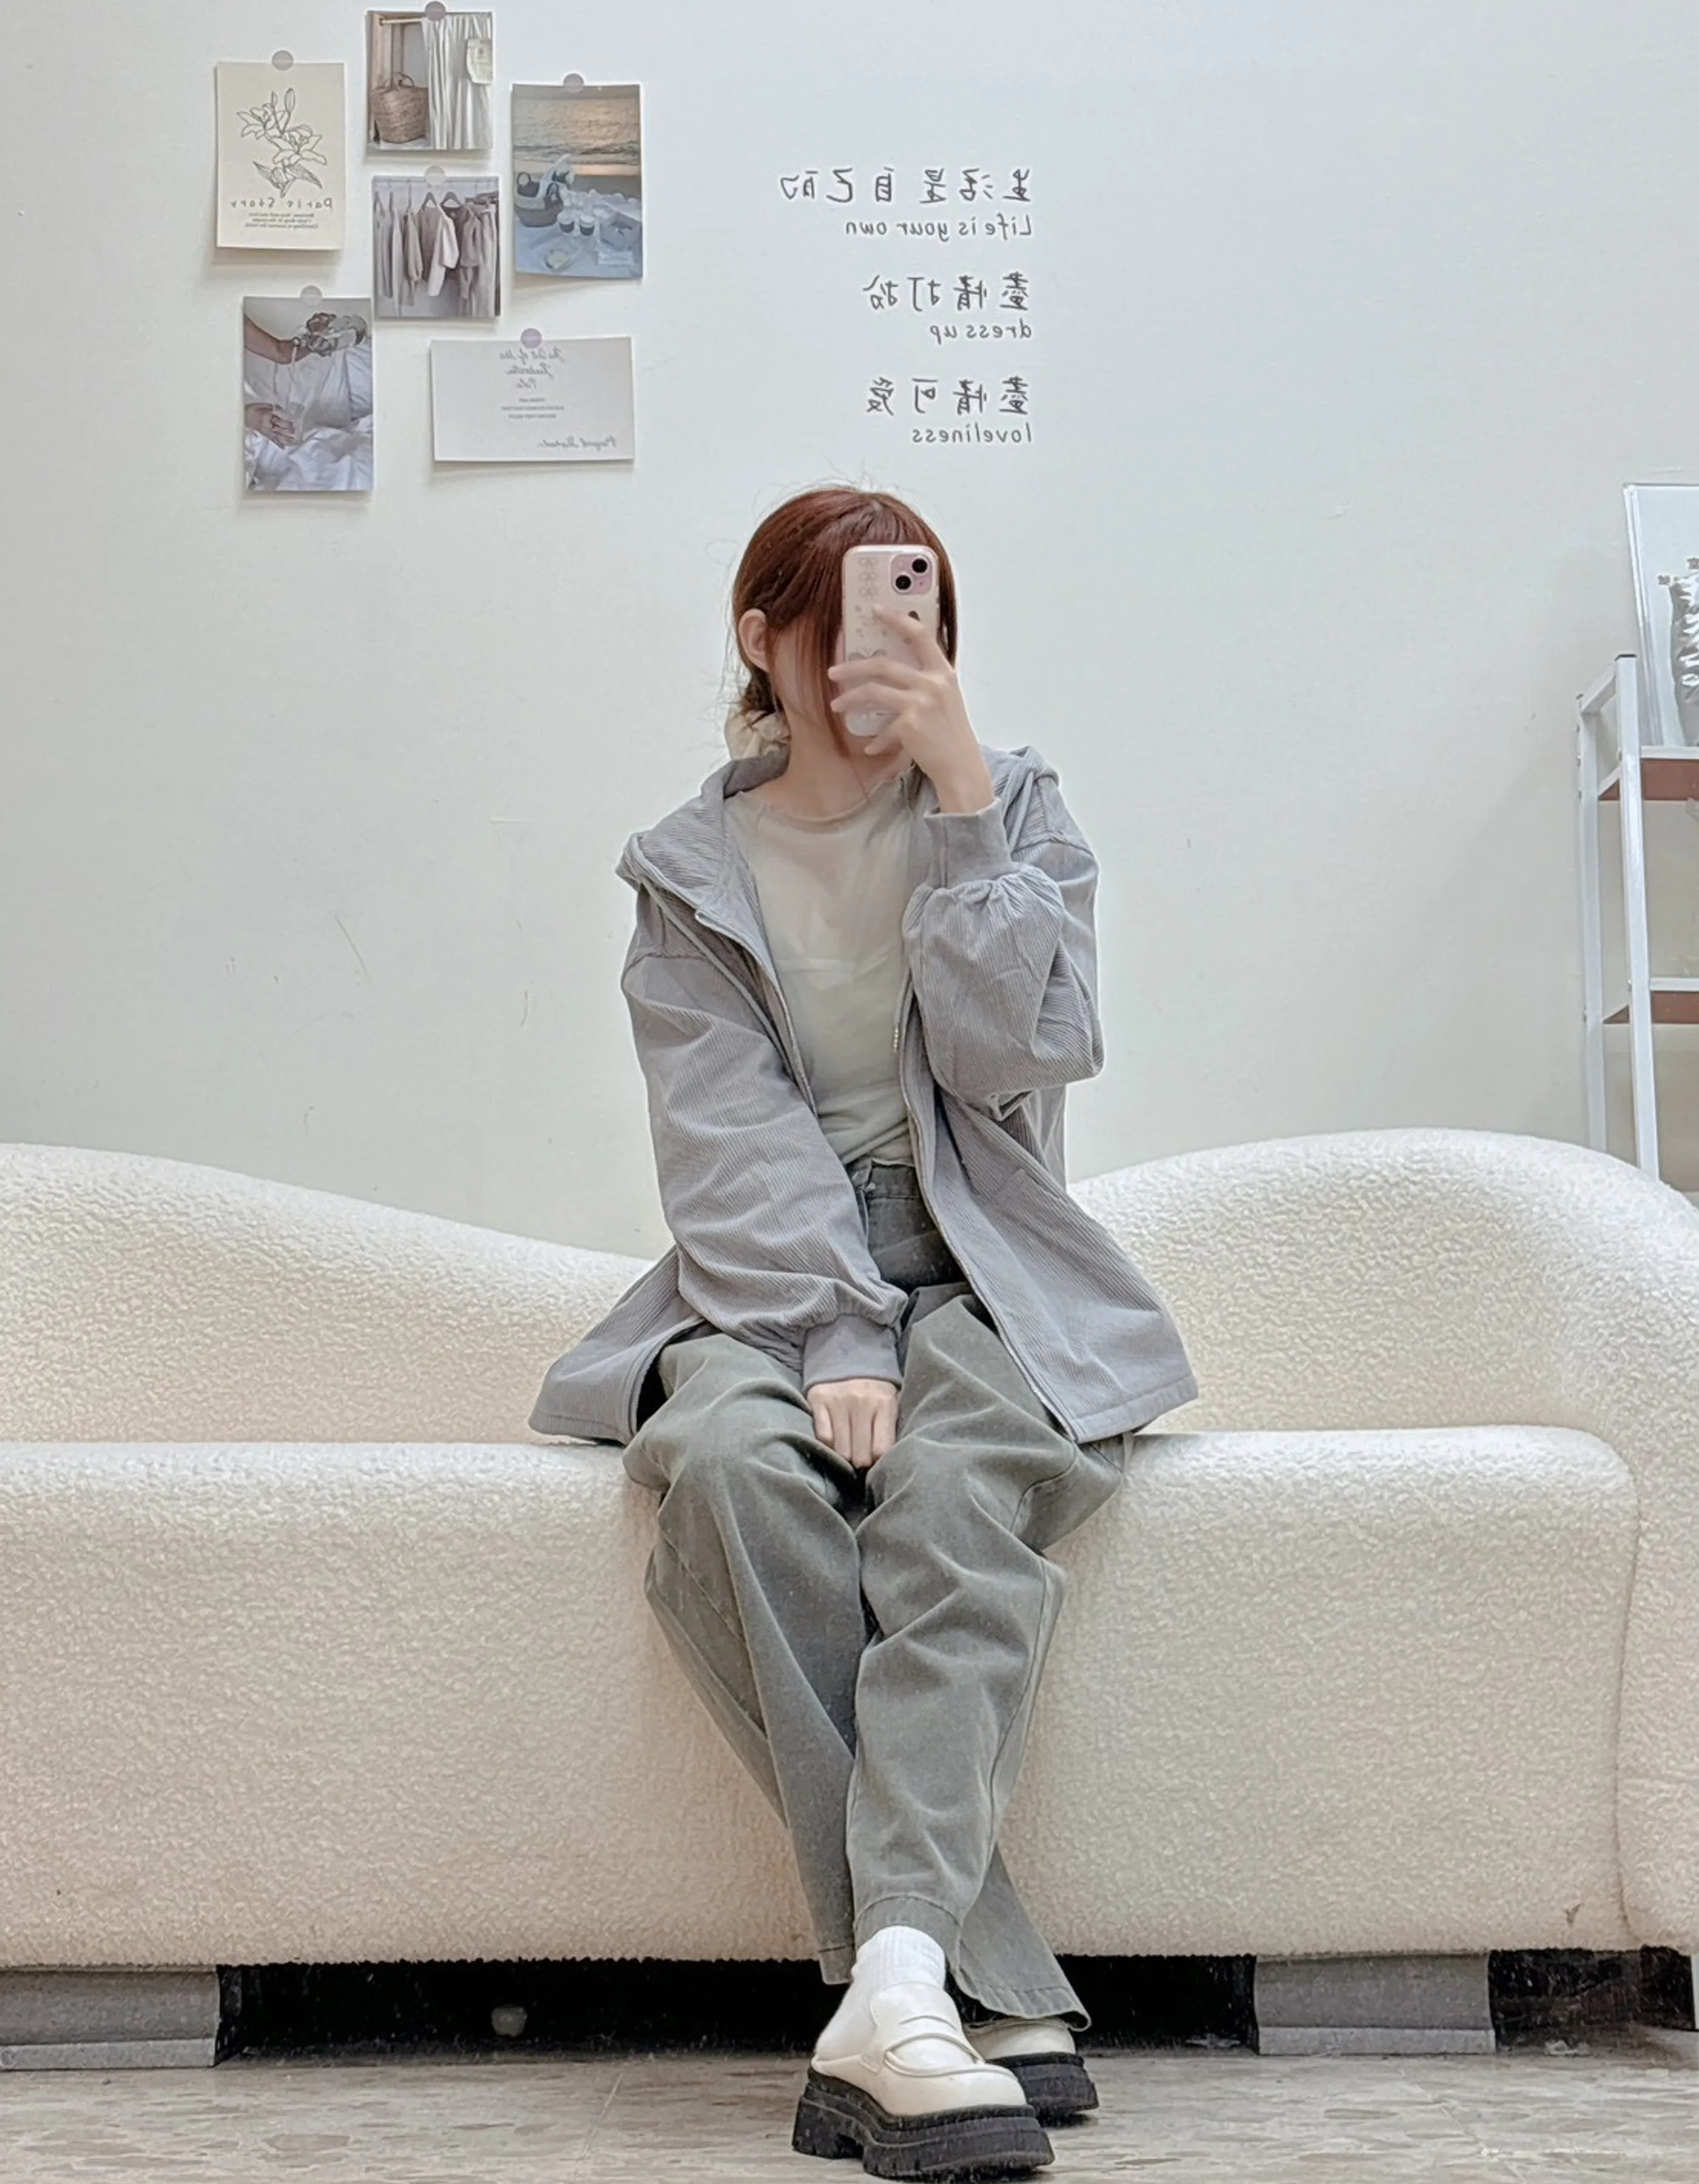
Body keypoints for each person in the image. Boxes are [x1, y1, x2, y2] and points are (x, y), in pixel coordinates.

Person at [527, 484, 1199, 2180]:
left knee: (956, 1506)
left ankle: (888, 1995)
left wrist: (965, 808)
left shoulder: (1015, 808)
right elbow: (723, 1134)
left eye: (921, 618)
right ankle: (968, 1974)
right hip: (764, 1277)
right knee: (732, 1472)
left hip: (984, 1263)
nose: (887, 657)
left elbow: (1011, 1064)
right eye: (848, 624)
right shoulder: (688, 871)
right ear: (763, 642)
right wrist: (834, 1325)